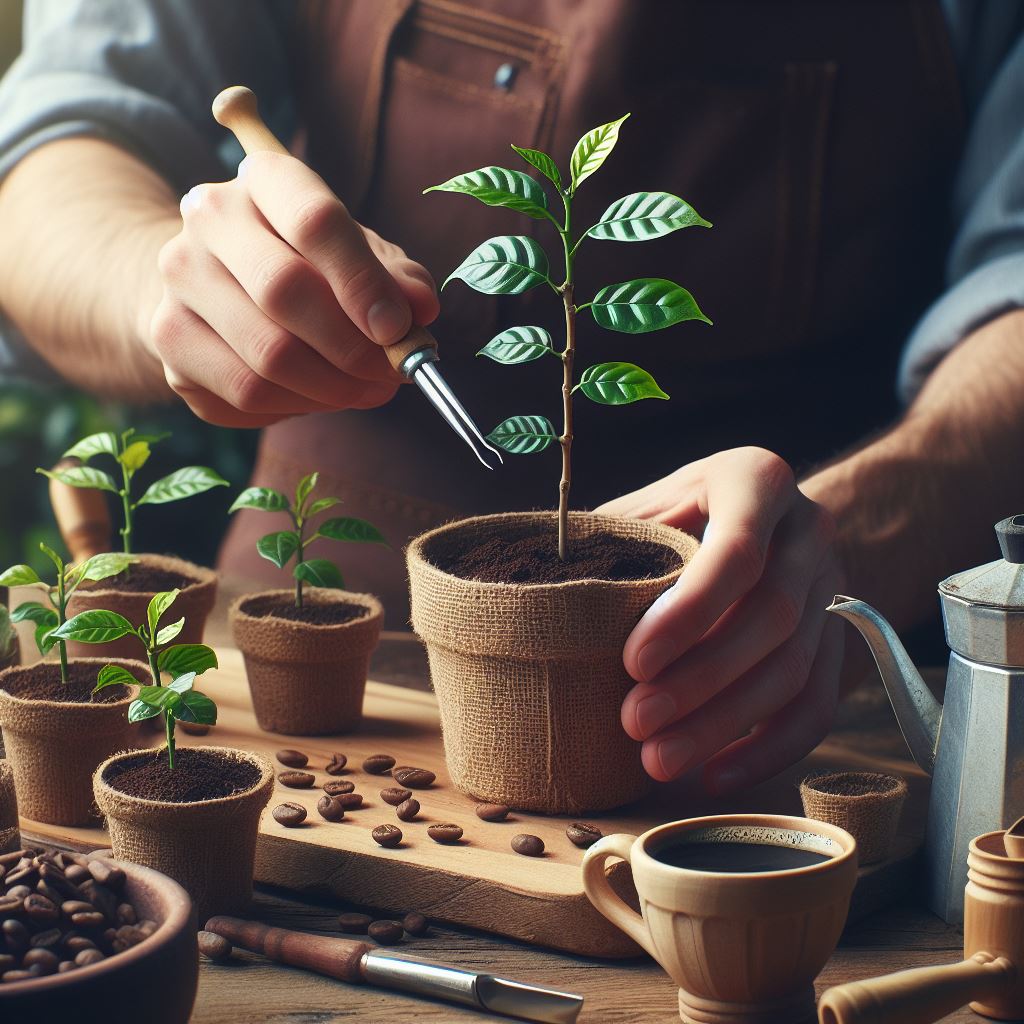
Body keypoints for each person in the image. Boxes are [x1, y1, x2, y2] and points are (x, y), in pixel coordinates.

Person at [2, 0, 1024, 796]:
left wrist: (861, 525)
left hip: (787, 720)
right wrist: (159, 282)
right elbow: (54, 148)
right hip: (317, 691)